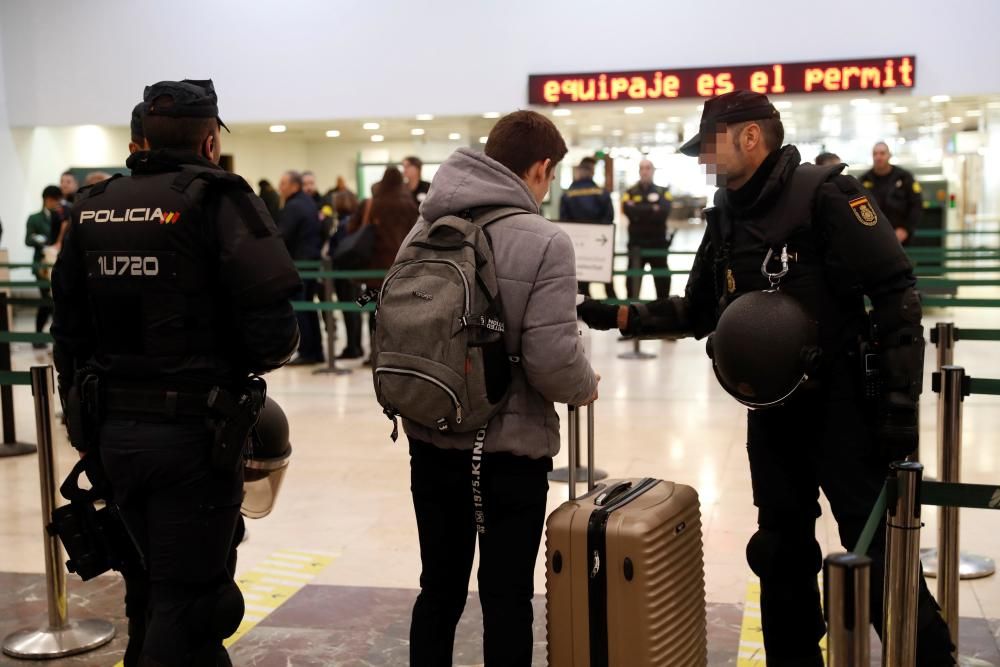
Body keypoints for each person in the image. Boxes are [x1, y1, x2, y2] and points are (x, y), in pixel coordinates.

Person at [577, 90, 954, 666]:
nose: (706, 160)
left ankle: (930, 657)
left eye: (712, 145)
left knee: (872, 545)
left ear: (750, 136)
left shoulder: (827, 193)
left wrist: (900, 409)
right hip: (772, 412)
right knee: (779, 550)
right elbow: (699, 311)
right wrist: (623, 317)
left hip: (844, 407)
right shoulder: (726, 213)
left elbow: (897, 295)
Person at [51, 78, 300, 667]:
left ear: (140, 138)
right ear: (210, 141)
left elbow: (67, 335)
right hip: (196, 441)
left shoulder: (91, 206)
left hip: (112, 438)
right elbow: (273, 336)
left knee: (148, 589)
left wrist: (86, 423)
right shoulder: (219, 200)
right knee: (194, 603)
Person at [401, 110, 599, 667]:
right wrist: (585, 384)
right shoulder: (545, 241)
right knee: (506, 594)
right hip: (506, 450)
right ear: (540, 168)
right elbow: (552, 362)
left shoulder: (423, 227)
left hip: (430, 434)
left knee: (438, 586)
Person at [348, 167, 418, 364]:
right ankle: (400, 353)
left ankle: (375, 354)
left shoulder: (372, 204)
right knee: (401, 312)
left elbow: (352, 228)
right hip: (404, 270)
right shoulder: (410, 205)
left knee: (374, 312)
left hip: (376, 273)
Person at [278, 170, 324, 365]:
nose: (280, 188)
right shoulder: (307, 202)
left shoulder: (294, 206)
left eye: (283, 184)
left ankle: (307, 352)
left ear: (294, 186)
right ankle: (316, 351)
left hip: (301, 263)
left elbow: (282, 235)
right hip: (312, 260)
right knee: (309, 307)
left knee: (301, 307)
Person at [559, 156, 618, 299]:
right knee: (608, 286)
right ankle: (614, 315)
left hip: (578, 250)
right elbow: (609, 218)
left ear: (579, 172)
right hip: (599, 250)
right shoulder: (602, 194)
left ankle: (586, 316)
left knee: (582, 287)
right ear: (592, 172)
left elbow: (564, 221)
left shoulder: (567, 195)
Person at [622, 159, 674, 299]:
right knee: (632, 284)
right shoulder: (630, 192)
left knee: (662, 282)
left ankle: (663, 312)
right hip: (636, 244)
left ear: (653, 171)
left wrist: (638, 210)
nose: (645, 171)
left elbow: (663, 213)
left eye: (648, 168)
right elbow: (628, 210)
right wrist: (652, 209)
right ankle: (633, 313)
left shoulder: (663, 192)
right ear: (639, 171)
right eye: (642, 168)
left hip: (658, 244)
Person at [861, 142, 923, 246]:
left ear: (889, 155)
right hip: (873, 238)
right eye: (875, 154)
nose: (878, 157)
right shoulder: (864, 180)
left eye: (882, 153)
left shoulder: (905, 177)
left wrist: (905, 229)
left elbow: (916, 205)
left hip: (901, 239)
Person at [327, 190, 363, 359]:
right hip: (355, 271)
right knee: (356, 309)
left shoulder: (343, 224)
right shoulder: (356, 221)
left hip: (343, 273)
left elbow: (339, 249)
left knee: (349, 310)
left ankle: (352, 347)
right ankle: (357, 346)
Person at [25, 185, 62, 346]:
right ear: (47, 199)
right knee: (46, 301)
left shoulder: (61, 217)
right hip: (41, 265)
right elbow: (27, 240)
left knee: (56, 302)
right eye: (55, 200)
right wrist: (41, 241)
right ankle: (39, 337)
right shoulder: (34, 218)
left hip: (58, 263)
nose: (57, 203)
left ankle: (56, 338)